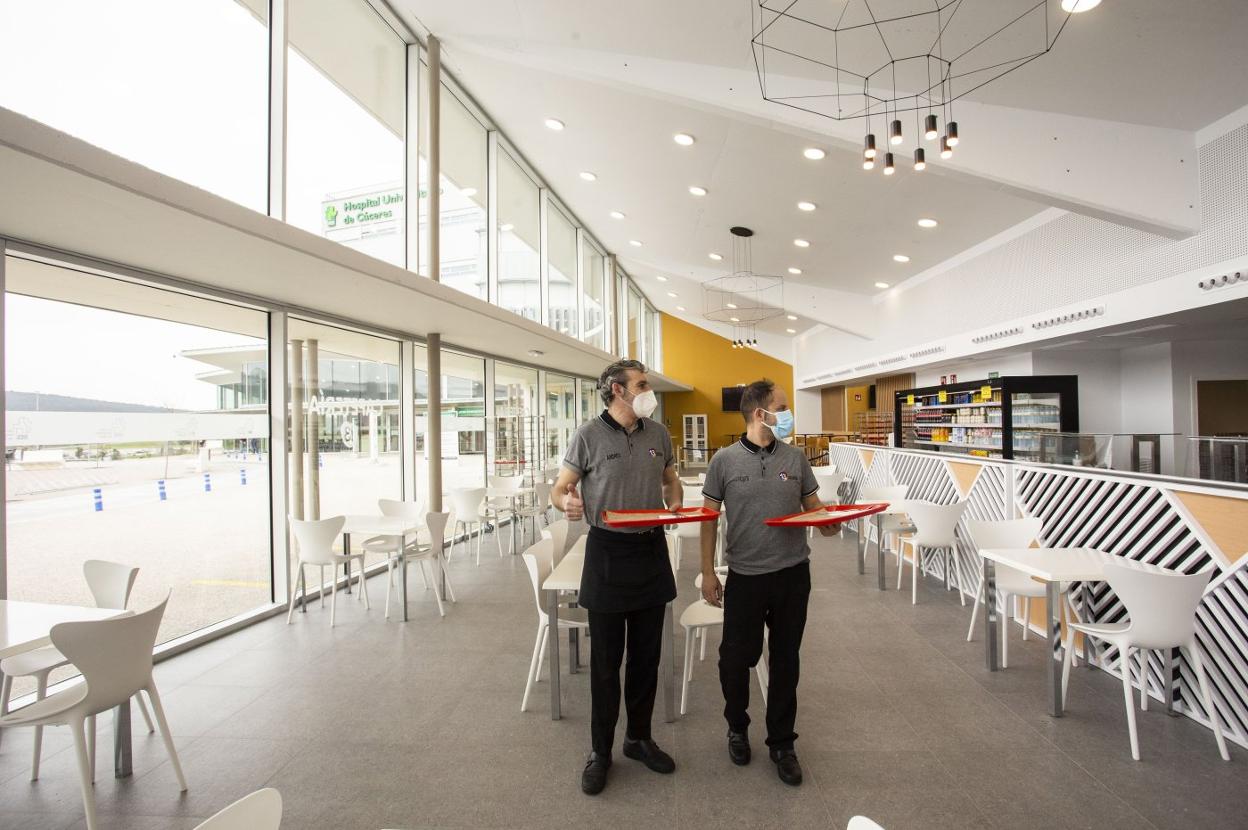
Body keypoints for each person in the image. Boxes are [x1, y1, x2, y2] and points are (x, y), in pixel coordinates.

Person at [553, 359, 684, 795]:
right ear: (617, 390)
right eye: (642, 384)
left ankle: (639, 739)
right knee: (606, 665)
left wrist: (676, 501)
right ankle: (600, 752)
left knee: (647, 659)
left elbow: (671, 481)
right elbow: (561, 489)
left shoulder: (658, 434)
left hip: (650, 549)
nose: (649, 391)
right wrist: (567, 504)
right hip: (607, 553)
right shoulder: (588, 435)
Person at [698, 379, 835, 786]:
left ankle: (782, 742)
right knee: (735, 660)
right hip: (746, 576)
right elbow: (708, 520)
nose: (788, 413)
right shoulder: (723, 461)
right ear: (761, 413)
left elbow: (813, 508)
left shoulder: (795, 459)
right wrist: (708, 571)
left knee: (786, 660)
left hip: (793, 574)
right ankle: (737, 726)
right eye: (783, 406)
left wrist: (829, 522)